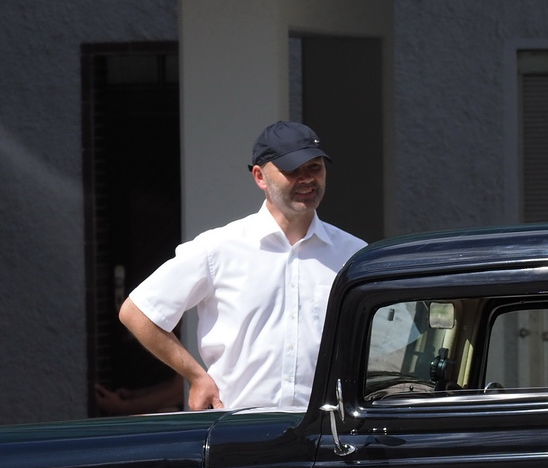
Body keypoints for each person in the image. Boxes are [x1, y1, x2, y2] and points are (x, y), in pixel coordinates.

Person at [105, 121, 366, 413]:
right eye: (293, 171)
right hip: (238, 430)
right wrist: (197, 377)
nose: (306, 180)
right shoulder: (219, 248)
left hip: (329, 429)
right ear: (260, 177)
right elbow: (137, 312)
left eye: (314, 168)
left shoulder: (354, 254)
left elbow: (390, 338)